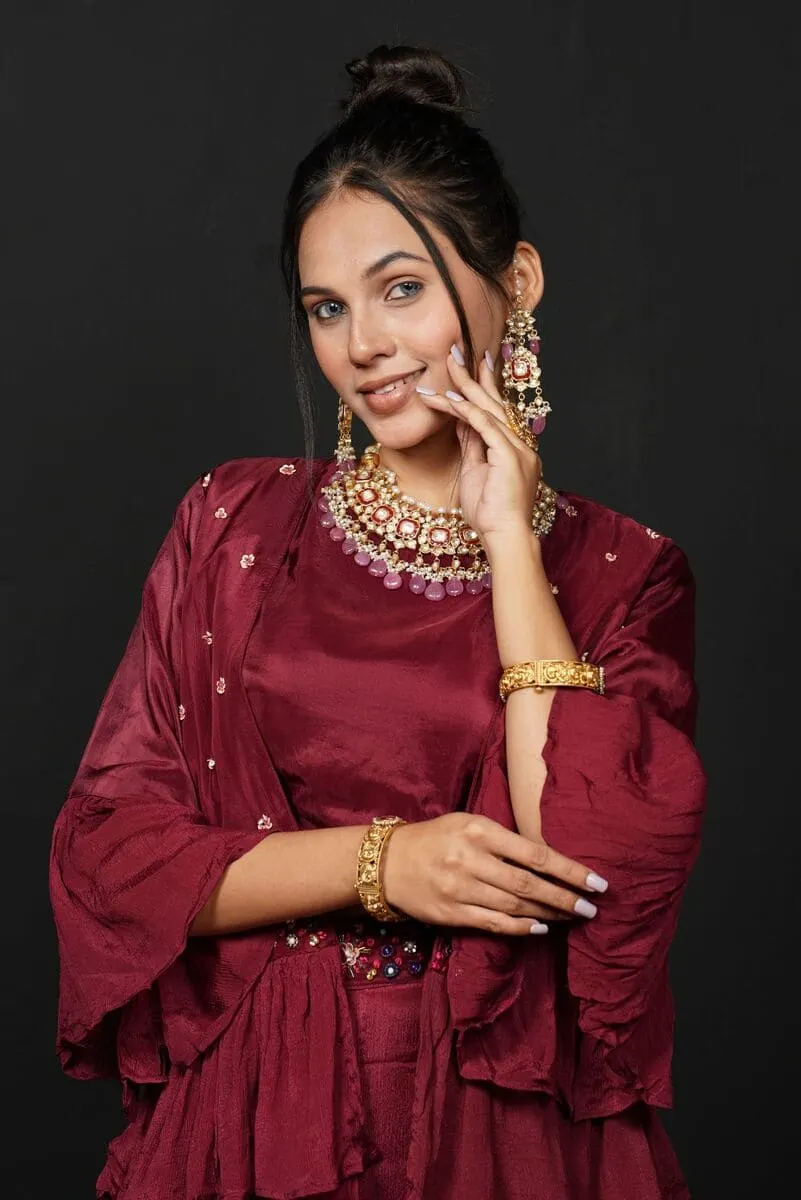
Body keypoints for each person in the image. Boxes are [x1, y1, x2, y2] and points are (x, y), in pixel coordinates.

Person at [49, 43, 706, 1200]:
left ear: (518, 282)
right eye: (327, 308)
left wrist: (511, 541)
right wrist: (384, 863)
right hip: (262, 1106)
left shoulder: (624, 574)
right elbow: (109, 857)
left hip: (503, 1129)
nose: (361, 345)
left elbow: (593, 870)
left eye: (402, 289)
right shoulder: (232, 528)